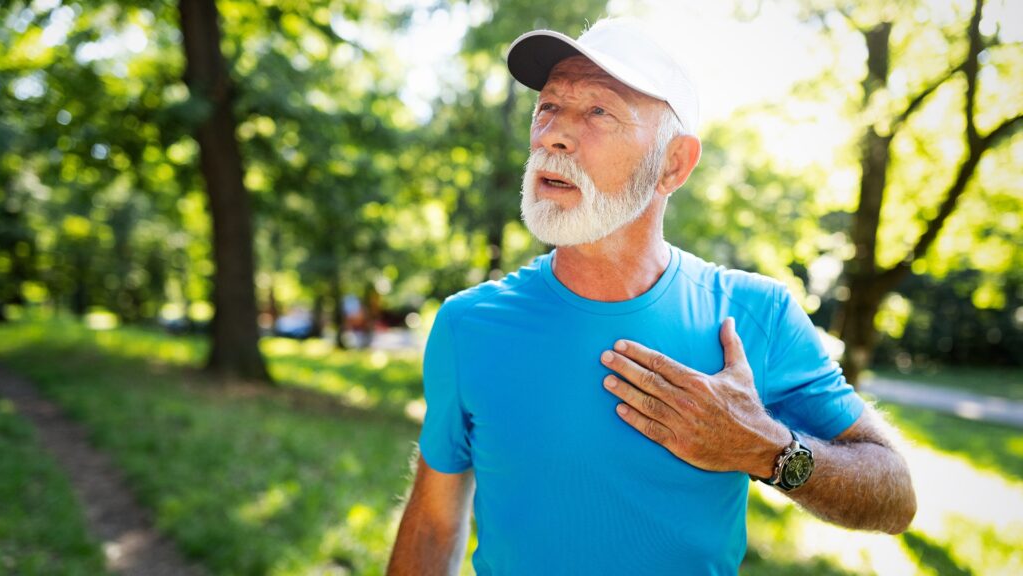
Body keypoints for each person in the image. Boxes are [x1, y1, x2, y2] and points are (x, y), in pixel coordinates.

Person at [388, 18, 916, 575]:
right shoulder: (468, 324)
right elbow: (433, 525)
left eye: (597, 112)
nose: (552, 136)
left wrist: (765, 450)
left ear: (673, 165)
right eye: (548, 108)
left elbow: (895, 497)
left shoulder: (755, 315)